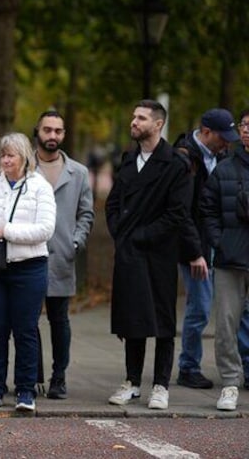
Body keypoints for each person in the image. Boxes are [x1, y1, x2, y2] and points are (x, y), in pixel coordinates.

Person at [105, 99, 206, 411]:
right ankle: (132, 381)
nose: (134, 122)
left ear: (158, 124)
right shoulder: (128, 159)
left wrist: (141, 236)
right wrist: (121, 234)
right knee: (131, 319)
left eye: (141, 118)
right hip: (129, 253)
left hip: (159, 254)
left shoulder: (175, 165)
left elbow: (177, 214)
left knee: (162, 321)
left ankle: (160, 384)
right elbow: (112, 202)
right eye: (134, 116)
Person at [0, 132, 56, 412]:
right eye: (3, 155)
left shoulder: (39, 187)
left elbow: (45, 229)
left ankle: (25, 390)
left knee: (25, 330)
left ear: (24, 158)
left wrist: (5, 232)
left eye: (11, 155)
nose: (6, 160)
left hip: (30, 268)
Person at [174, 108, 249, 390]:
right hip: (195, 246)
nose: (228, 142)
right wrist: (196, 251)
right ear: (206, 132)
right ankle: (188, 366)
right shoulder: (184, 157)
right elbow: (186, 211)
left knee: (237, 310)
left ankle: (243, 364)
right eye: (223, 137)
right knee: (201, 308)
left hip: (222, 245)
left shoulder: (220, 157)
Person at [33, 111, 94, 399]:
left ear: (64, 134)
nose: (52, 136)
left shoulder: (79, 172)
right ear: (38, 131)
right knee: (27, 320)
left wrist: (76, 242)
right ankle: (32, 375)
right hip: (28, 255)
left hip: (62, 256)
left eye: (58, 131)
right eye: (47, 129)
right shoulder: (23, 166)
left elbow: (86, 213)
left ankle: (59, 376)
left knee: (59, 320)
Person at [200, 108, 249, 410]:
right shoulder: (224, 168)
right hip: (230, 258)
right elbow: (208, 210)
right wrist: (220, 241)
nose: (247, 131)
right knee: (227, 323)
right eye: (244, 125)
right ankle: (230, 382)